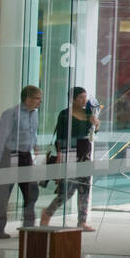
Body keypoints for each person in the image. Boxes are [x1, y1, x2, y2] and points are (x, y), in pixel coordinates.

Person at [40, 87, 99, 231]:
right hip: (69, 152)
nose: (84, 100)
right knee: (68, 189)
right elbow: (60, 136)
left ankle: (82, 221)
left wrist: (96, 124)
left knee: (84, 187)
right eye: (80, 97)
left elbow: (92, 133)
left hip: (85, 153)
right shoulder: (65, 114)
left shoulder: (89, 113)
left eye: (85, 97)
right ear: (72, 99)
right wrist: (60, 154)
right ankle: (48, 213)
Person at [0, 85, 42, 239]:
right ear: (28, 99)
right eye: (37, 98)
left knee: (32, 191)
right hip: (9, 155)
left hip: (26, 156)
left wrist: (35, 148)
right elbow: (2, 138)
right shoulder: (11, 114)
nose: (40, 101)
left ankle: (29, 226)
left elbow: (33, 133)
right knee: (4, 194)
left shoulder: (35, 114)